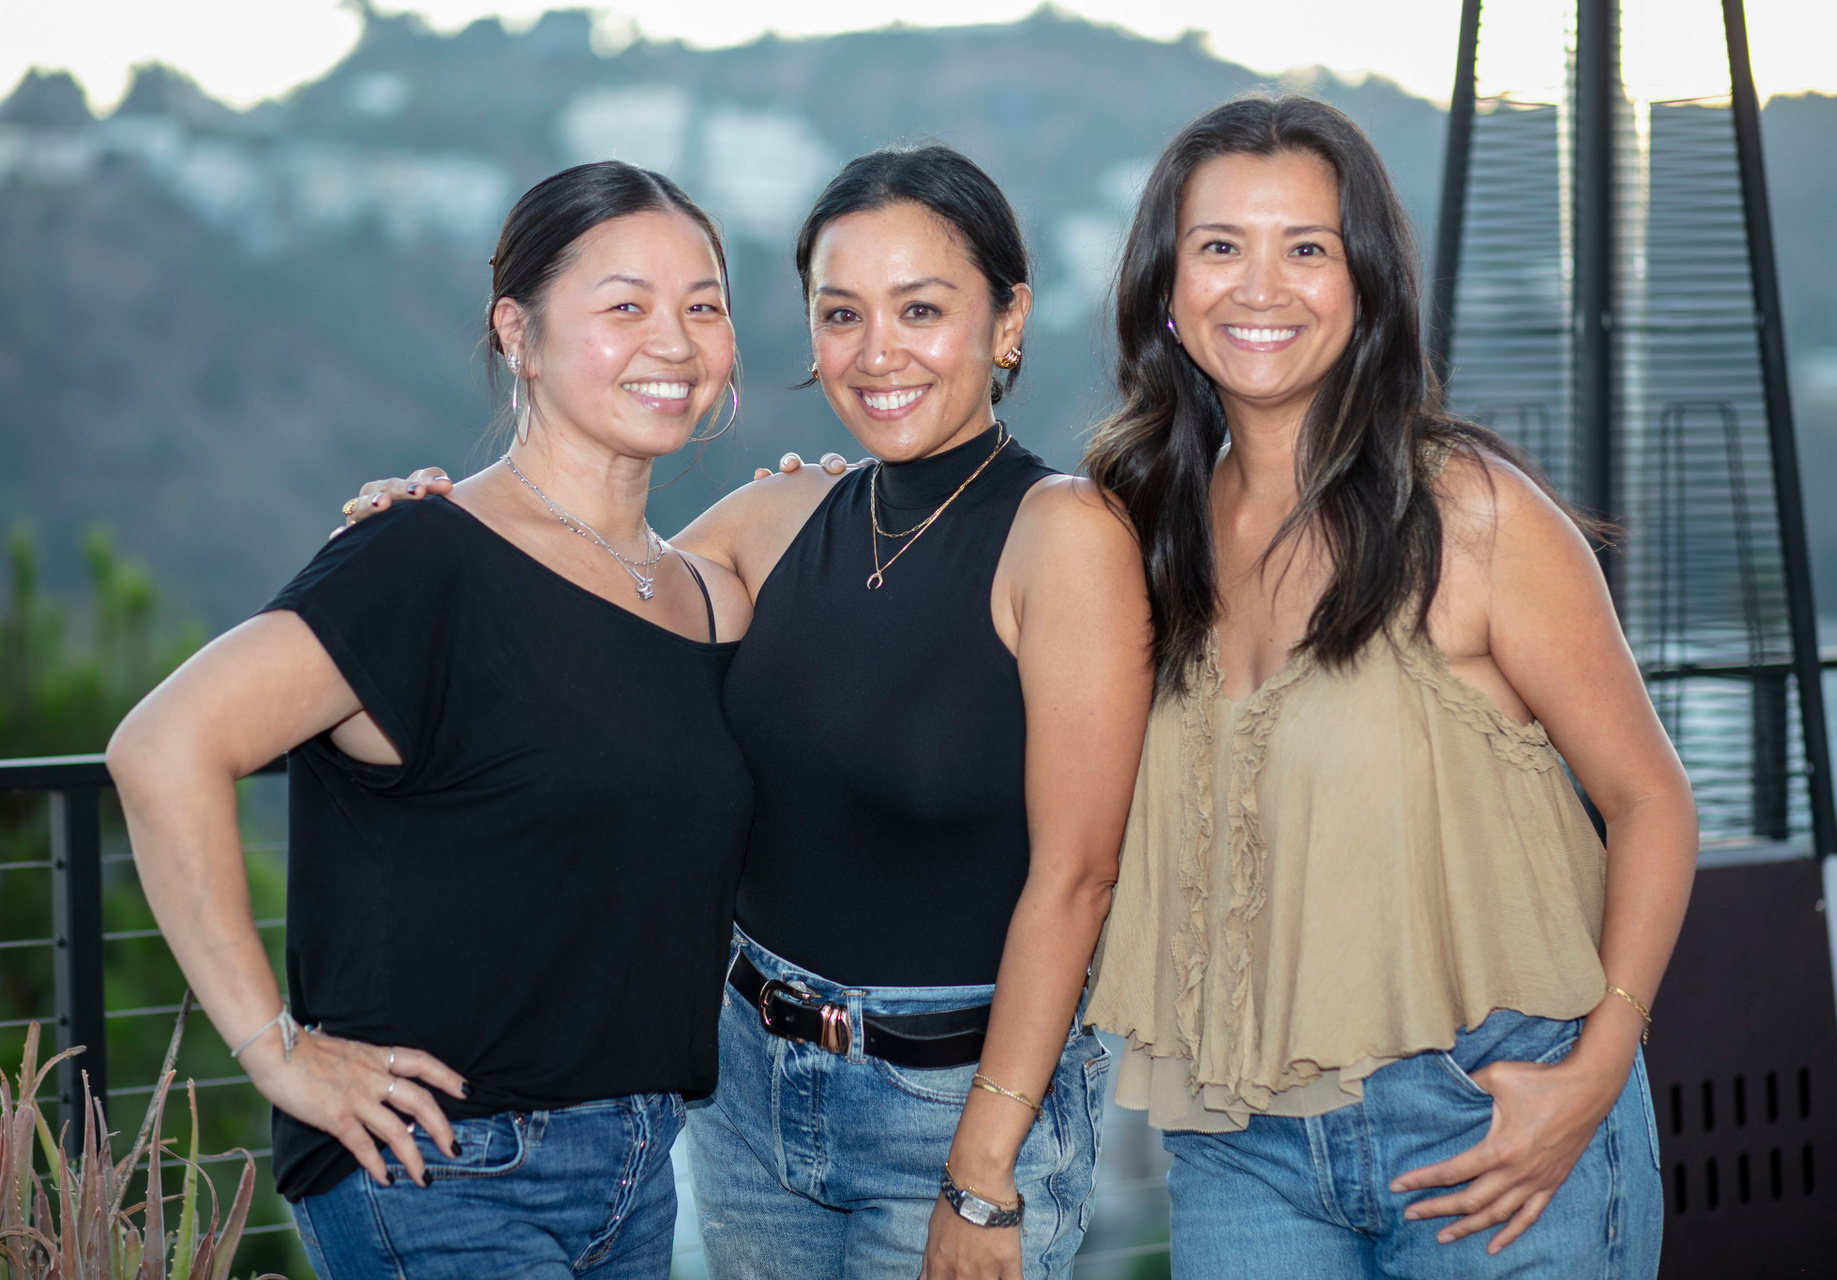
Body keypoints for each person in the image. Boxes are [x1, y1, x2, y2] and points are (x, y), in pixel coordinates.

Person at [344, 144, 1153, 1279]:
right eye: (842, 313)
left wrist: (980, 1169)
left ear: (1007, 321)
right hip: (746, 1093)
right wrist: (430, 528)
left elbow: (1078, 876)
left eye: (921, 309)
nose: (877, 352)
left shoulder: (1065, 535)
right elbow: (577, 597)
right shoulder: (778, 516)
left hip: (949, 1105)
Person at [1075, 94, 1696, 1278]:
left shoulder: (1469, 511)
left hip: (1491, 1117)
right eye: (1221, 246)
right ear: (1167, 287)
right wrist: (827, 497)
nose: (1262, 287)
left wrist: (1597, 1069)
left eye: (1307, 247)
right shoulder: (1140, 530)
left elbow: (1651, 800)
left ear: (1365, 285)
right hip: (1242, 1138)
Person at [106, 161, 754, 1280]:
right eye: (625, 305)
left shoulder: (707, 597)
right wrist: (275, 1050)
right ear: (519, 332)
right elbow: (163, 747)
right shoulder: (421, 556)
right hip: (442, 1169)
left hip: (642, 1170)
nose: (675, 340)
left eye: (703, 305)